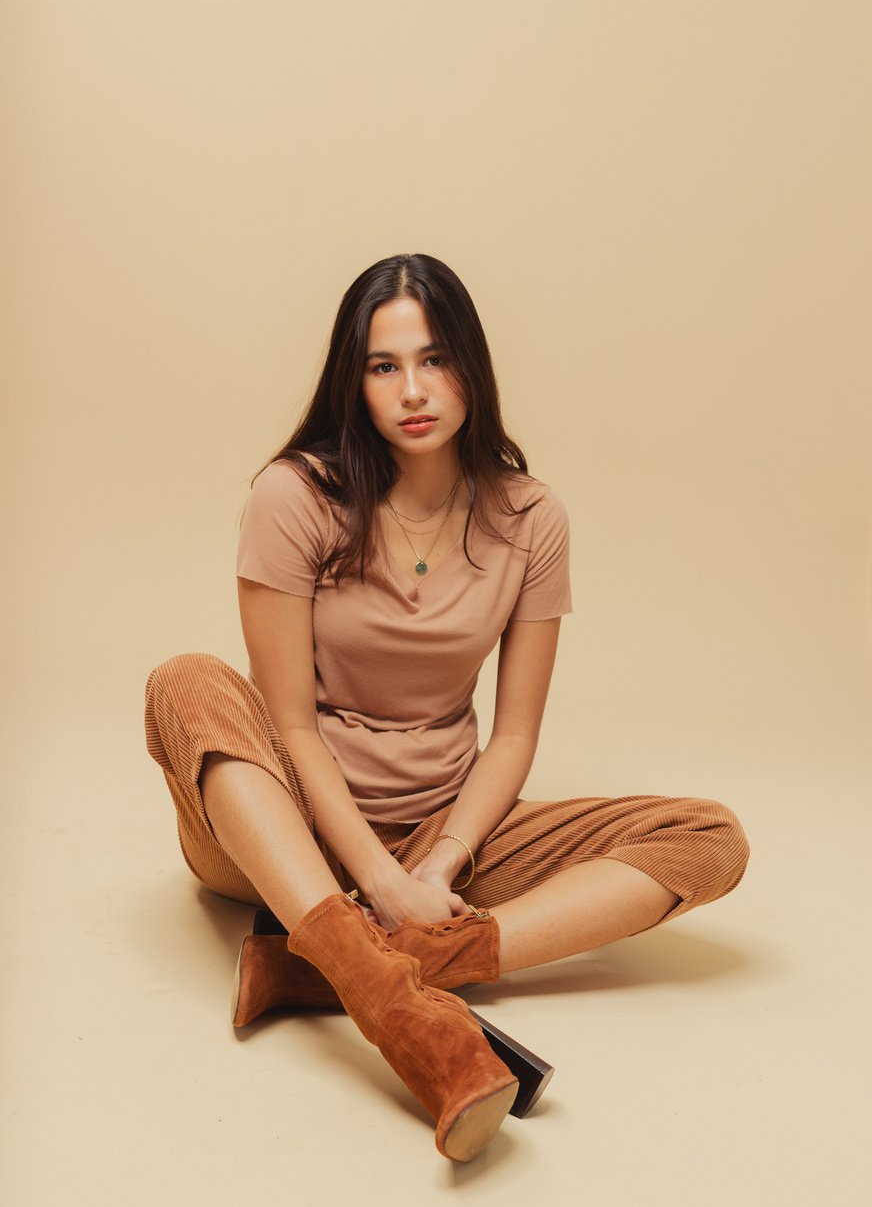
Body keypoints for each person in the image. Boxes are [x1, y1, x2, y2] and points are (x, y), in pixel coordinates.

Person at [144, 253, 749, 1161]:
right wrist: (379, 884)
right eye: (384, 366)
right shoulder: (296, 495)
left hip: (439, 834)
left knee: (710, 836)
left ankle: (336, 966)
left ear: (473, 363)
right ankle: (389, 1001)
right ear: (355, 381)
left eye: (435, 359)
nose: (412, 390)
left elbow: (512, 736)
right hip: (281, 831)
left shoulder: (530, 517)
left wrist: (436, 871)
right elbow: (292, 723)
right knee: (183, 680)